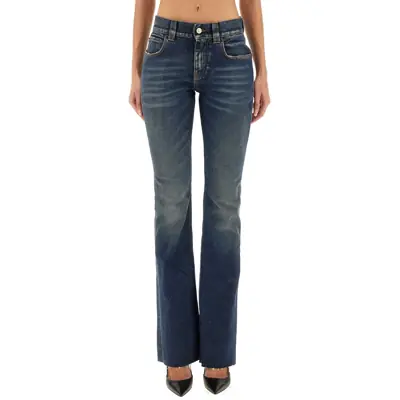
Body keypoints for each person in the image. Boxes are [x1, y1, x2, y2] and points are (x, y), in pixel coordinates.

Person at [129, 0, 270, 395]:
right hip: (165, 50)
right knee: (170, 205)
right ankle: (176, 348)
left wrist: (263, 71)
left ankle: (218, 348)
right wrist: (135, 70)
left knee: (224, 206)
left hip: (229, 53)